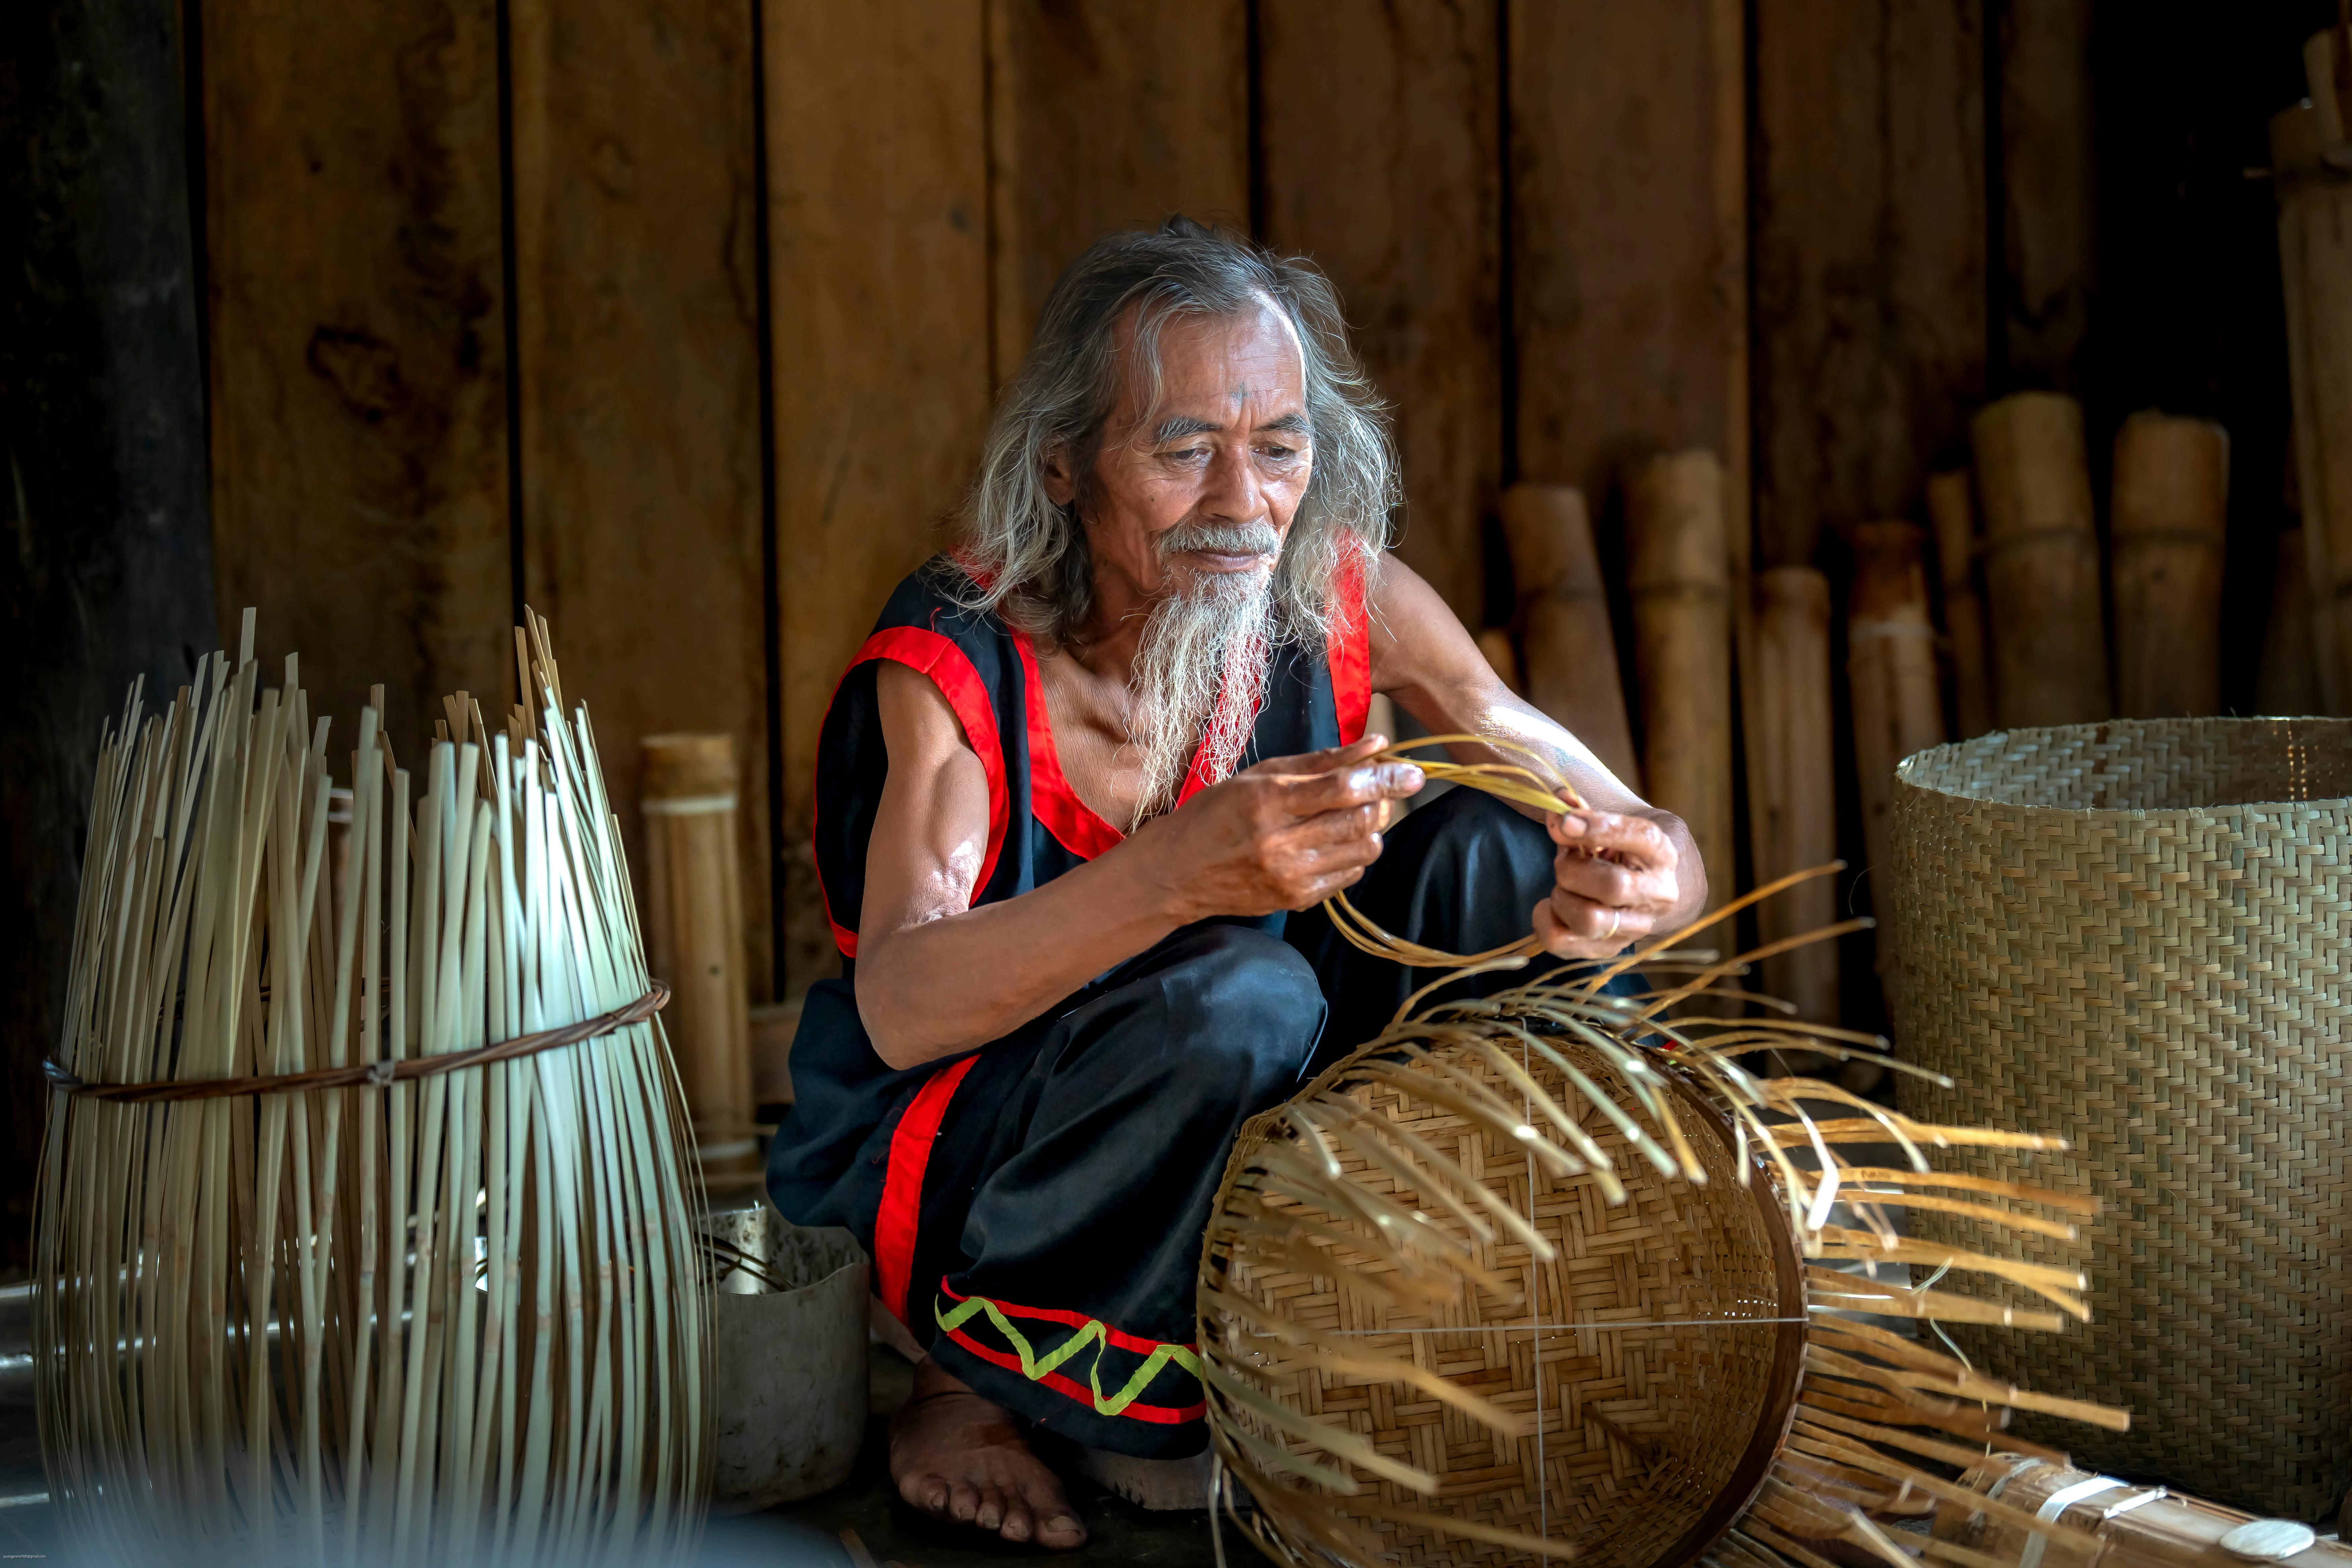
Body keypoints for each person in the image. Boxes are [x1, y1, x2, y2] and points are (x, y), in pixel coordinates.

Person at [767, 217, 1704, 1550]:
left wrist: (1639, 876)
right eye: (1182, 447)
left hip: (1232, 1103)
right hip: (983, 1140)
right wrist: (1176, 872)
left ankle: (1433, 1314)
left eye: (1278, 446)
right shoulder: (960, 669)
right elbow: (903, 1003)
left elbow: (1644, 832)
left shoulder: (1334, 594)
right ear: (1067, 467)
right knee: (1244, 995)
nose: (1241, 501)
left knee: (1500, 858)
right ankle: (974, 1379)